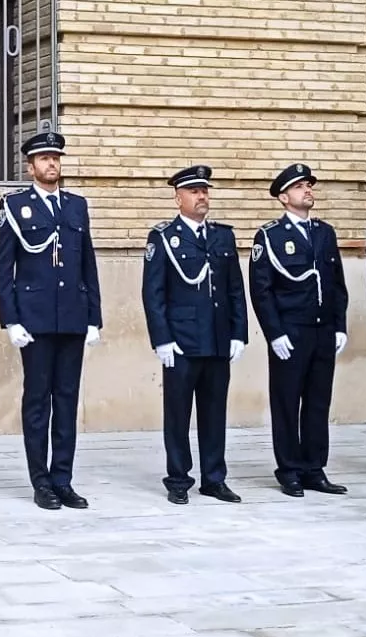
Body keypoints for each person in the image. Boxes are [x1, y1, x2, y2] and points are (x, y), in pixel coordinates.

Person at [0, 131, 101, 511]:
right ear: (30, 166)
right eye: (43, 158)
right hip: (35, 320)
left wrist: (94, 317)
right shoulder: (14, 205)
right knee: (38, 402)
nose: (51, 163)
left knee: (67, 401)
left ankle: (63, 479)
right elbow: (3, 267)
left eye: (55, 157)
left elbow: (88, 262)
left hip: (72, 316)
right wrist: (11, 319)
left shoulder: (76, 206)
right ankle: (41, 481)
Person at [141, 165, 247, 505]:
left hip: (217, 339)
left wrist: (238, 333)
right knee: (178, 413)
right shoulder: (163, 237)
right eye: (194, 191)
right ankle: (178, 478)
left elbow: (234, 289)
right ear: (178, 197)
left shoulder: (222, 236)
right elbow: (153, 293)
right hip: (182, 341)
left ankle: (214, 478)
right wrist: (162, 339)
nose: (202, 196)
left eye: (204, 191)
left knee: (215, 413)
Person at [248, 164, 347, 498]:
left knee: (318, 402)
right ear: (283, 196)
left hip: (322, 330)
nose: (307, 190)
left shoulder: (324, 233)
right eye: (299, 186)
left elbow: (337, 284)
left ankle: (314, 468)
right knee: (287, 402)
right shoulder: (270, 236)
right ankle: (289, 469)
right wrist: (274, 333)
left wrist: (339, 325)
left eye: (308, 185)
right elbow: (262, 290)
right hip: (291, 332)